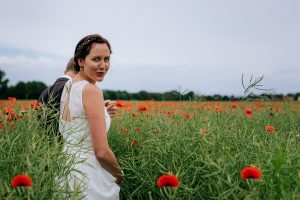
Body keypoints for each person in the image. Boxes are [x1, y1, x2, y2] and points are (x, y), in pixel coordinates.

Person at [59, 34, 122, 199]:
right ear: (80, 61)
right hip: (88, 172)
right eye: (96, 59)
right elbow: (101, 152)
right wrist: (119, 174)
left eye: (106, 59)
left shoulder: (68, 86)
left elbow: (77, 120)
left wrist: (103, 112)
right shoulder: (92, 91)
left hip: (66, 166)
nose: (103, 65)